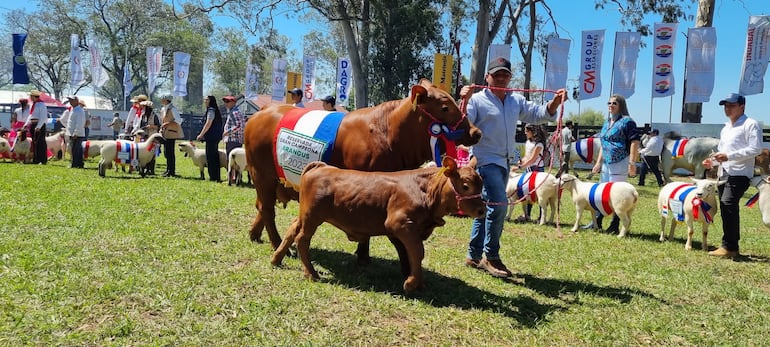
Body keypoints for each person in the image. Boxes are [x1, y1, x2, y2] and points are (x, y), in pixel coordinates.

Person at [460, 57, 568, 278]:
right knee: (499, 205)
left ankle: (473, 254)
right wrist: (462, 100)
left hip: (504, 162)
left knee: (488, 207)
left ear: (510, 78)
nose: (501, 78)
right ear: (486, 77)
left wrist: (555, 103)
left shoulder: (515, 100)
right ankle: (491, 257)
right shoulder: (476, 100)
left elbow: (538, 113)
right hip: (484, 160)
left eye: (505, 75)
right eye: (496, 74)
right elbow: (462, 124)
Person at [703, 93, 762, 258]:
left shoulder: (751, 124)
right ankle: (729, 246)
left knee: (727, 203)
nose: (727, 109)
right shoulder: (726, 128)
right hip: (724, 172)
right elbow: (722, 152)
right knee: (726, 207)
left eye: (731, 105)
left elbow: (755, 149)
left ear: (742, 106)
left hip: (740, 173)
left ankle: (730, 246)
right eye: (725, 105)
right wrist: (713, 163)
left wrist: (729, 157)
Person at [586, 94, 641, 233]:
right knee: (602, 192)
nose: (611, 105)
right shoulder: (606, 122)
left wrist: (632, 163)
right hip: (606, 163)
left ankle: (615, 224)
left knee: (617, 193)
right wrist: (598, 162)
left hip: (620, 161)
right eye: (609, 103)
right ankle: (596, 221)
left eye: (614, 103)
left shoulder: (627, 122)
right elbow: (604, 144)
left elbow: (635, 141)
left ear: (621, 105)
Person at [510, 123, 548, 223]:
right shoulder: (528, 142)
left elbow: (532, 159)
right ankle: (527, 215)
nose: (525, 132)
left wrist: (519, 167)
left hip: (537, 170)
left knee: (539, 193)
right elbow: (527, 157)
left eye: (527, 131)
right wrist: (521, 161)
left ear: (532, 132)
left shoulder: (539, 145)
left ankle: (541, 217)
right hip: (528, 169)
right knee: (527, 192)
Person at [197, 95, 223, 182]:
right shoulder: (214, 110)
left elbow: (208, 123)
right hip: (215, 137)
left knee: (211, 157)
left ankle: (213, 176)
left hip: (211, 137)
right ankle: (216, 176)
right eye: (205, 99)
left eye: (207, 99)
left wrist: (201, 134)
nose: (205, 101)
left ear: (211, 101)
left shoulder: (211, 110)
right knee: (214, 156)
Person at [159, 95, 184, 177]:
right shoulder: (163, 109)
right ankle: (168, 169)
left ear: (166, 100)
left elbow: (178, 121)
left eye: (163, 99)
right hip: (165, 133)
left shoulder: (173, 109)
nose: (161, 100)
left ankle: (171, 171)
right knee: (166, 152)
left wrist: (168, 123)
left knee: (170, 152)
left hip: (171, 132)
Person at [23, 90, 48, 164]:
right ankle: (36, 159)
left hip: (39, 124)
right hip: (33, 123)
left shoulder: (42, 105)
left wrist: (39, 126)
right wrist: (26, 124)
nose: (30, 97)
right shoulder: (32, 104)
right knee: (34, 143)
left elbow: (43, 117)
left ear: (35, 96)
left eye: (31, 96)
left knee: (40, 142)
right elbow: (30, 115)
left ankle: (42, 160)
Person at [64, 96, 86, 169]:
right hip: (73, 133)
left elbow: (80, 123)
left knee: (75, 150)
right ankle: (79, 163)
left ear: (76, 101)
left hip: (77, 134)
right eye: (70, 100)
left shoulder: (79, 111)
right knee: (76, 149)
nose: (70, 102)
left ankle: (75, 164)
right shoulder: (73, 110)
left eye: (72, 100)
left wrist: (76, 133)